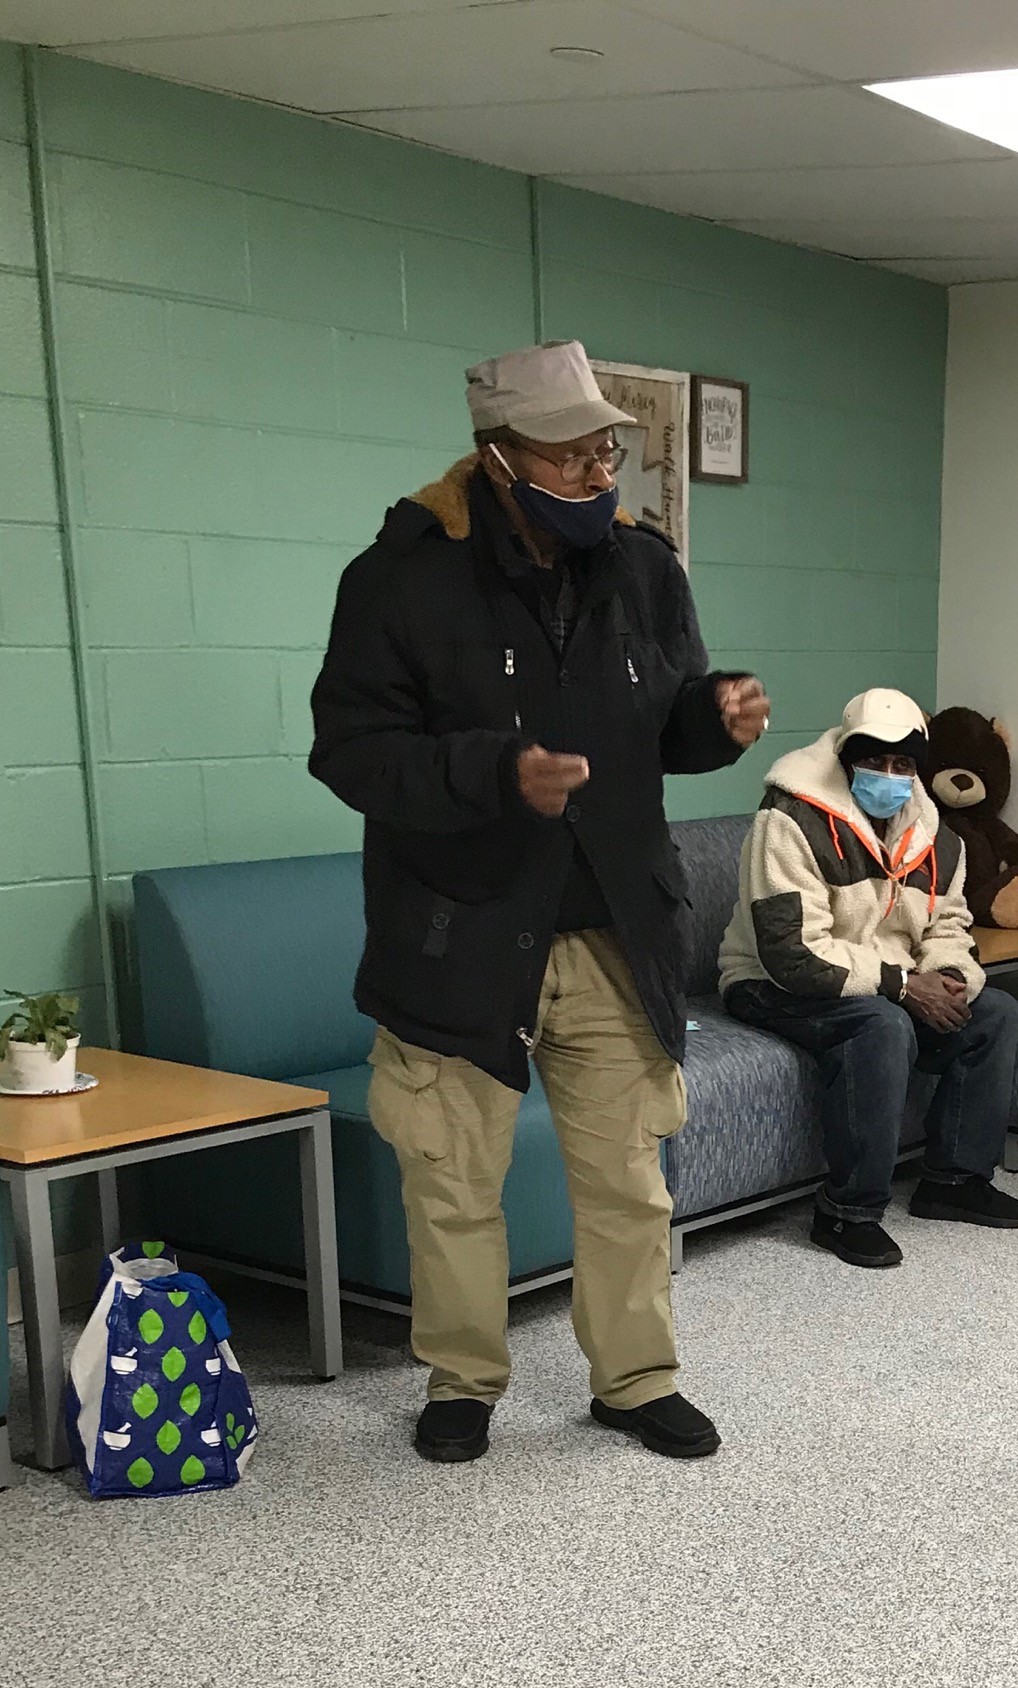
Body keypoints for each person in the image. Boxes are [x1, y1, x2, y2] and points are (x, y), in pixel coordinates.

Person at [310, 340, 770, 1465]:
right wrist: (491, 773)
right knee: (452, 1179)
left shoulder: (643, 567)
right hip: (456, 931)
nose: (593, 473)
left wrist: (715, 717)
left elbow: (662, 718)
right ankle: (462, 1379)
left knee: (626, 1177)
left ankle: (634, 1378)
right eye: (566, 455)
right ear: (497, 455)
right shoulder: (398, 578)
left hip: (614, 926)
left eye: (605, 449)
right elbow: (353, 753)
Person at [720, 689, 1018, 1268]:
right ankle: (847, 1213)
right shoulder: (788, 818)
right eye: (874, 761)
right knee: (881, 1027)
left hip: (883, 977)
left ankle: (953, 1182)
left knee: (994, 1013)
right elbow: (792, 953)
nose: (890, 776)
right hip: (771, 983)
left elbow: (949, 925)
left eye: (904, 764)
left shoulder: (937, 835)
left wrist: (949, 978)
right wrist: (901, 985)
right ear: (845, 756)